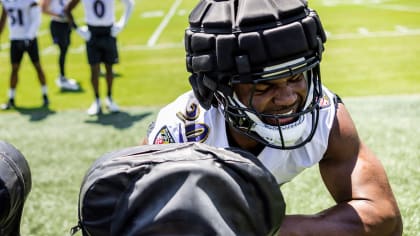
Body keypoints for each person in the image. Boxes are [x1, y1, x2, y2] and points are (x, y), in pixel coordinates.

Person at [144, 0, 403, 235]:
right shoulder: (180, 134)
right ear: (220, 90)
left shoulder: (324, 114)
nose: (288, 98)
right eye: (264, 86)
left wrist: (272, 230)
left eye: (295, 77)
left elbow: (384, 217)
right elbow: (136, 219)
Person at [64, 0, 134, 115]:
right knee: (94, 70)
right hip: (92, 34)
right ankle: (96, 100)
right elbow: (67, 9)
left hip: (108, 32)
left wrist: (121, 25)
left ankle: (109, 98)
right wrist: (78, 29)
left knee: (109, 69)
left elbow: (129, 4)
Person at [0, 0, 49, 110]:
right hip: (15, 38)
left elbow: (36, 20)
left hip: (29, 39)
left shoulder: (29, 1)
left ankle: (45, 95)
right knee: (14, 69)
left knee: (37, 66)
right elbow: (3, 19)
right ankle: (11, 98)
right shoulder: (6, 1)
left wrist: (28, 37)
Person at [40, 0, 80, 91]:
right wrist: (58, 15)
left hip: (66, 24)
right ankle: (61, 77)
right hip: (57, 24)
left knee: (65, 50)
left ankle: (62, 76)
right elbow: (43, 9)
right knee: (63, 49)